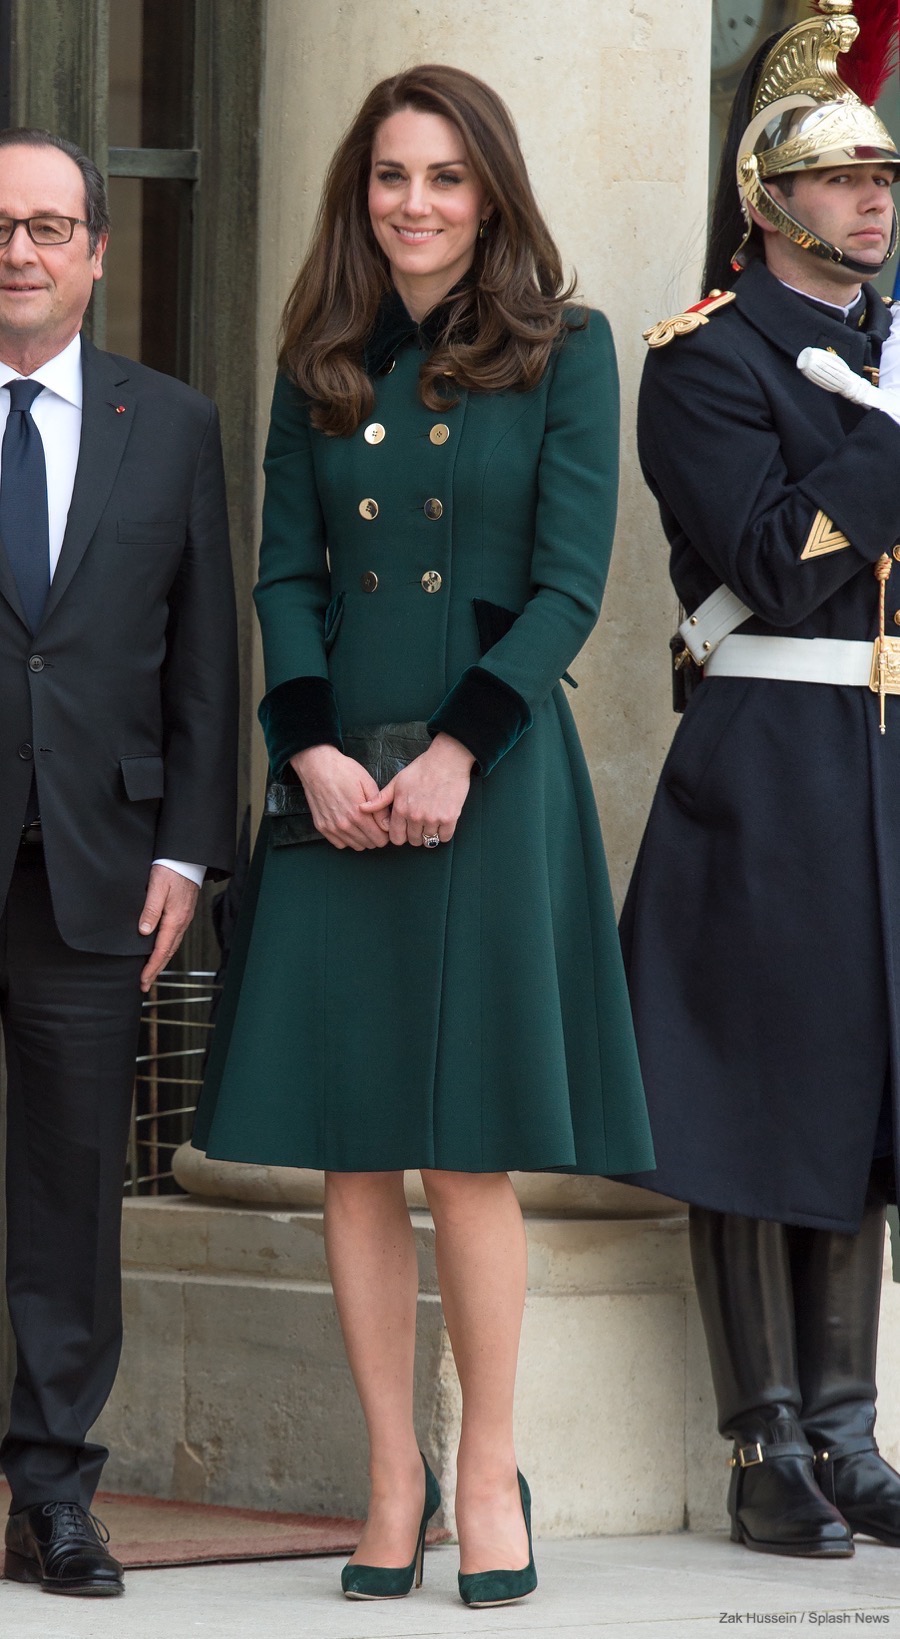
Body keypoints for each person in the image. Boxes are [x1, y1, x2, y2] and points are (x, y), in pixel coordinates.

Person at [193, 62, 653, 1608]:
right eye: (392, 176)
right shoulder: (315, 351)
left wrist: (460, 747)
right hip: (338, 779)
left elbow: (571, 583)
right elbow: (282, 573)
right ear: (359, 192)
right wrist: (307, 747)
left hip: (490, 769)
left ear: (492, 190)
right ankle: (394, 1472)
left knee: (465, 1154)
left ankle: (491, 1468)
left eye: (446, 178)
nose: (416, 205)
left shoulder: (568, 350)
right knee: (351, 1145)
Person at [620, 0, 900, 1558]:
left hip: (882, 757)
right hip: (768, 755)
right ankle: (763, 1443)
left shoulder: (887, 349)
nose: (872, 200)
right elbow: (775, 571)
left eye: (884, 178)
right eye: (841, 176)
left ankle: (852, 1435)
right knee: (750, 1096)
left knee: (860, 1092)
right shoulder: (707, 362)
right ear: (769, 198)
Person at [0, 129, 238, 1595]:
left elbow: (207, 658)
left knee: (78, 1185)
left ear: (96, 250)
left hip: (98, 867)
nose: (16, 249)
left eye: (45, 225)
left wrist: (188, 853)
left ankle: (50, 1489)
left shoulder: (175, 422)